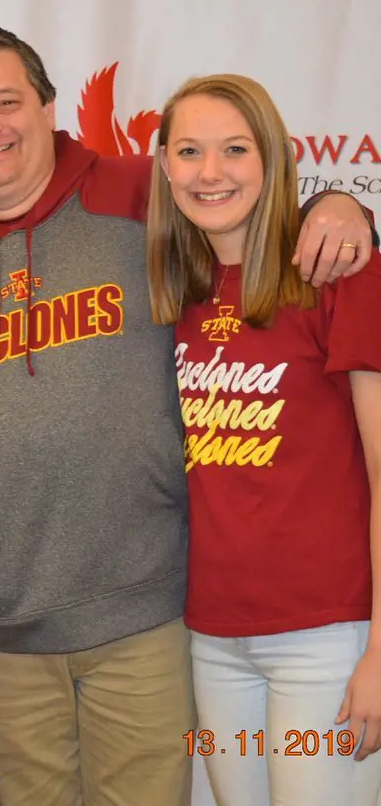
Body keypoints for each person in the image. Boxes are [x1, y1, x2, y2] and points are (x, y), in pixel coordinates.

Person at [0, 26, 376, 806]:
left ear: (49, 108)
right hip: (3, 632)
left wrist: (340, 203)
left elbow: (236, 199)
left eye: (8, 102)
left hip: (150, 617)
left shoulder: (140, 195)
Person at [146, 73, 381, 806]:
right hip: (212, 638)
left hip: (328, 636)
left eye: (235, 150)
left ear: (276, 156)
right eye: (188, 151)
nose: (210, 172)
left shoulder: (340, 272)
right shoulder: (175, 288)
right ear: (162, 166)